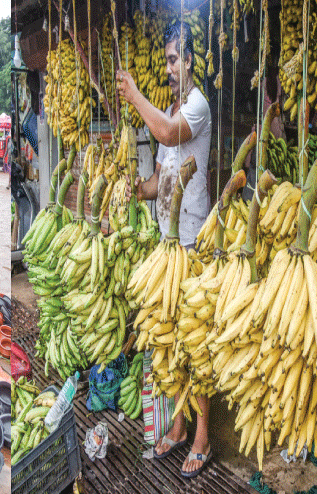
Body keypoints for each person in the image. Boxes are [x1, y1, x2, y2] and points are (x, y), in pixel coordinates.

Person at [117, 21, 212, 479]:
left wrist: (136, 97)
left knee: (195, 341)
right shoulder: (171, 108)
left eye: (174, 60)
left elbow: (171, 133)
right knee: (169, 338)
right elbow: (160, 180)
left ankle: (203, 436)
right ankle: (177, 424)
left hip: (192, 240)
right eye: (167, 61)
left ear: (189, 60)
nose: (169, 68)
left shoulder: (197, 107)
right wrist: (136, 190)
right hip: (166, 240)